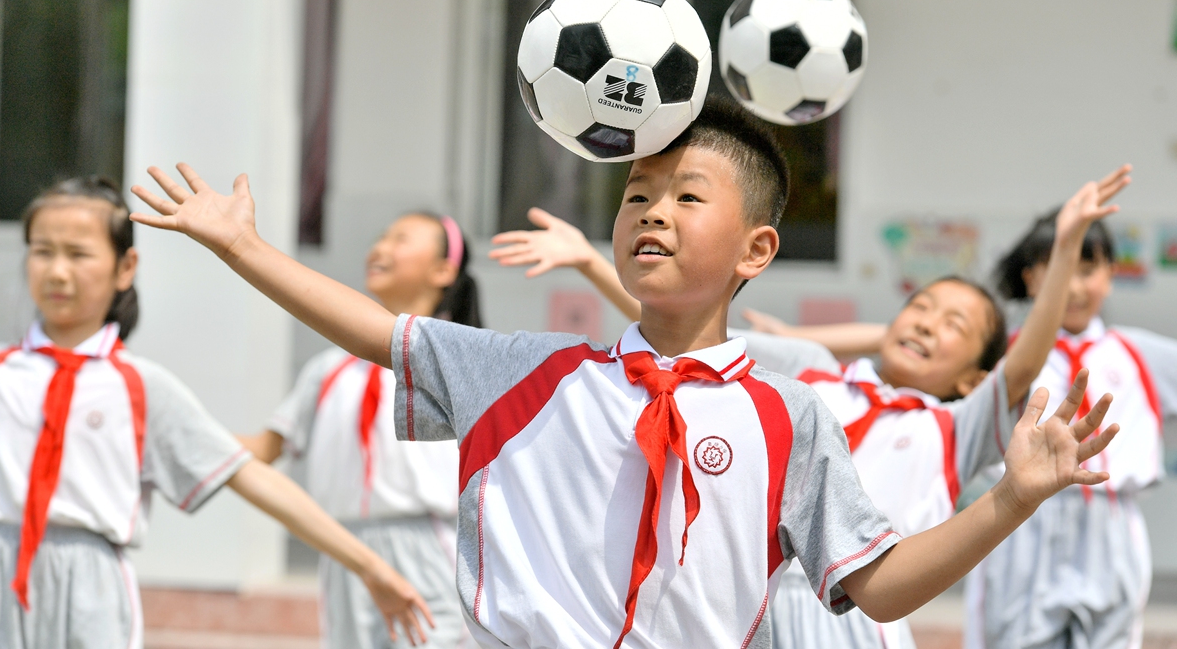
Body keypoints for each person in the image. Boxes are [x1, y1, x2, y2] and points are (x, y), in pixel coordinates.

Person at [131, 98, 1118, 649]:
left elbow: (882, 586)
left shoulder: (787, 415)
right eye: (639, 192)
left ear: (757, 249)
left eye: (690, 195)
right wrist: (244, 251)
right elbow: (381, 333)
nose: (653, 210)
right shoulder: (534, 375)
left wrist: (1012, 501)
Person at [491, 166, 1131, 649]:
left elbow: (1021, 363)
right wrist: (589, 263)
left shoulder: (954, 427)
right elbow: (682, 320)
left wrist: (1066, 244)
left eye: (955, 325)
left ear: (972, 376)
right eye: (921, 308)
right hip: (770, 603)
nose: (929, 324)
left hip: (862, 614)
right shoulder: (810, 376)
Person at [0, 177, 433, 649]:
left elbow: (251, 477)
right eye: (42, 251)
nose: (57, 272)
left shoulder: (141, 387)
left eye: (78, 254)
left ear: (125, 266)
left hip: (90, 588)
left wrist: (370, 567)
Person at [238, 212, 479, 649]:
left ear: (443, 270)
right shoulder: (328, 369)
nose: (381, 247)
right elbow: (265, 448)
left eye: (400, 238)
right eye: (380, 236)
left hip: (424, 541)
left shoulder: (456, 358)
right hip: (344, 550)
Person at [961, 209, 1177, 649]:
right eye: (1060, 269)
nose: (1075, 286)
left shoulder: (1138, 353)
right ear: (1032, 279)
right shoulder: (1011, 355)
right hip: (1023, 516)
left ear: (1111, 275)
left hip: (1110, 522)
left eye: (1088, 269)